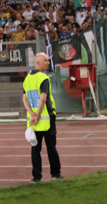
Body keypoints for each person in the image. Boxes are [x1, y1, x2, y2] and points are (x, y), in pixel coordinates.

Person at [22, 53, 63, 183]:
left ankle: (36, 176)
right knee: (51, 147)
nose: (48, 62)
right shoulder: (43, 78)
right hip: (46, 118)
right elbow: (43, 98)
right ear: (38, 62)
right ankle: (55, 174)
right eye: (45, 60)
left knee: (35, 148)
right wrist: (38, 115)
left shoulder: (27, 78)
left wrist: (32, 114)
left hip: (33, 120)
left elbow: (24, 98)